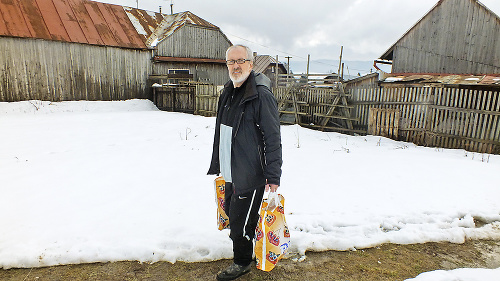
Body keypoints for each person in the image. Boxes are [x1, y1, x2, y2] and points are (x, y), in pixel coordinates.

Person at [208, 44, 282, 281]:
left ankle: (242, 262)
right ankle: (246, 246)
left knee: (240, 222)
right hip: (230, 169)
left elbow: (273, 138)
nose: (236, 66)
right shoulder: (227, 91)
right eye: (231, 62)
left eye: (241, 61)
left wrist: (273, 176)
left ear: (251, 64)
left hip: (251, 173)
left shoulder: (260, 95)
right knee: (232, 214)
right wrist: (219, 164)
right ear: (227, 65)